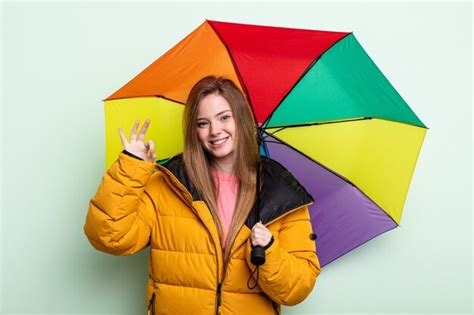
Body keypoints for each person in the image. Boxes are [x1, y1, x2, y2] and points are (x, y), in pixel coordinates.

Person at [84, 76, 321, 314]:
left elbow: (298, 288)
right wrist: (131, 168)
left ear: (241, 119)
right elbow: (110, 237)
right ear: (193, 130)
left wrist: (268, 250)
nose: (215, 131)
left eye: (224, 117)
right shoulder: (168, 185)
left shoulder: (280, 193)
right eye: (202, 123)